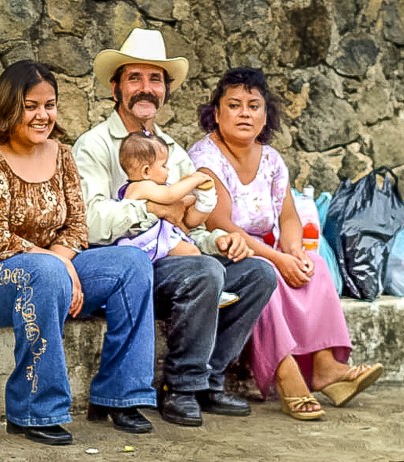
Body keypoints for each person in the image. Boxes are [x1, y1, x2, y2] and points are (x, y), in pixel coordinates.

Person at [0, 60, 156, 446]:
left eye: (49, 105)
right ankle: (34, 409)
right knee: (44, 272)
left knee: (132, 264)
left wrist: (60, 261)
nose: (42, 115)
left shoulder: (62, 155)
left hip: (46, 271)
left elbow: (77, 228)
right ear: (8, 106)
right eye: (30, 105)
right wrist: (56, 264)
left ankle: (121, 395)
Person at [72, 29, 276, 427]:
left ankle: (209, 381)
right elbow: (92, 223)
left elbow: (188, 226)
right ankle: (180, 387)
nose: (146, 89)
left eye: (155, 80)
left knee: (258, 273)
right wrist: (153, 208)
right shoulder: (94, 145)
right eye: (135, 78)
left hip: (171, 259)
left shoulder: (173, 151)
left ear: (165, 90)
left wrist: (218, 238)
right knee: (203, 271)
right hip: (126, 265)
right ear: (116, 87)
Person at [188, 67, 384, 421]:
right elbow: (220, 223)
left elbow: (288, 216)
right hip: (223, 251)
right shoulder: (205, 158)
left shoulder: (271, 160)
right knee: (264, 275)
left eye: (254, 105)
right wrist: (278, 259)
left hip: (266, 248)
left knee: (315, 265)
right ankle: (287, 374)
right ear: (216, 114)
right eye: (234, 105)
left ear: (266, 116)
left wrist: (293, 250)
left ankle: (327, 366)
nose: (245, 113)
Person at [116, 131, 239, 307]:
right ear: (146, 170)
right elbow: (170, 195)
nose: (169, 170)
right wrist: (194, 179)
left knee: (195, 252)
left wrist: (202, 198)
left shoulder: (155, 187)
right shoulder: (139, 187)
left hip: (165, 237)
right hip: (147, 243)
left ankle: (211, 291)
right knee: (193, 254)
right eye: (164, 166)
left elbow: (183, 207)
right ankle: (212, 294)